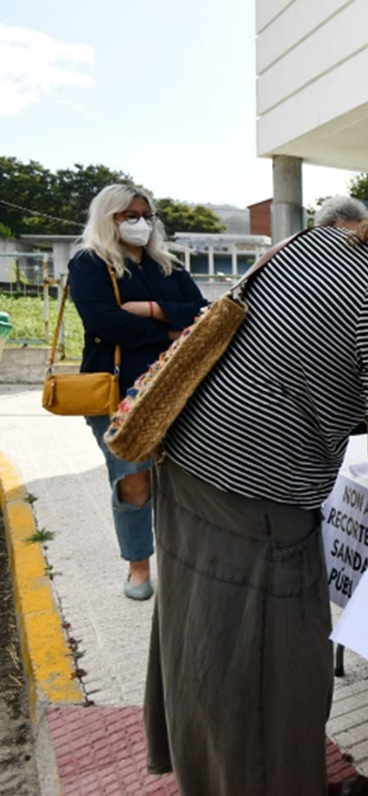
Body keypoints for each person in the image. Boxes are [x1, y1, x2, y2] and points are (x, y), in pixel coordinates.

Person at [144, 177, 368, 794]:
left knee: (197, 636)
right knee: (277, 672)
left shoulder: (309, 244)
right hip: (258, 501)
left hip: (183, 463)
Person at [67, 184, 207, 601]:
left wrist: (147, 310)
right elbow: (104, 321)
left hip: (176, 385)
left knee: (182, 479)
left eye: (146, 215)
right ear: (108, 217)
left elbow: (201, 313)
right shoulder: (91, 263)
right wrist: (168, 329)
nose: (140, 223)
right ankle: (138, 565)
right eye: (128, 215)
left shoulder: (167, 265)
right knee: (131, 479)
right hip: (117, 389)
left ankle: (182, 561)